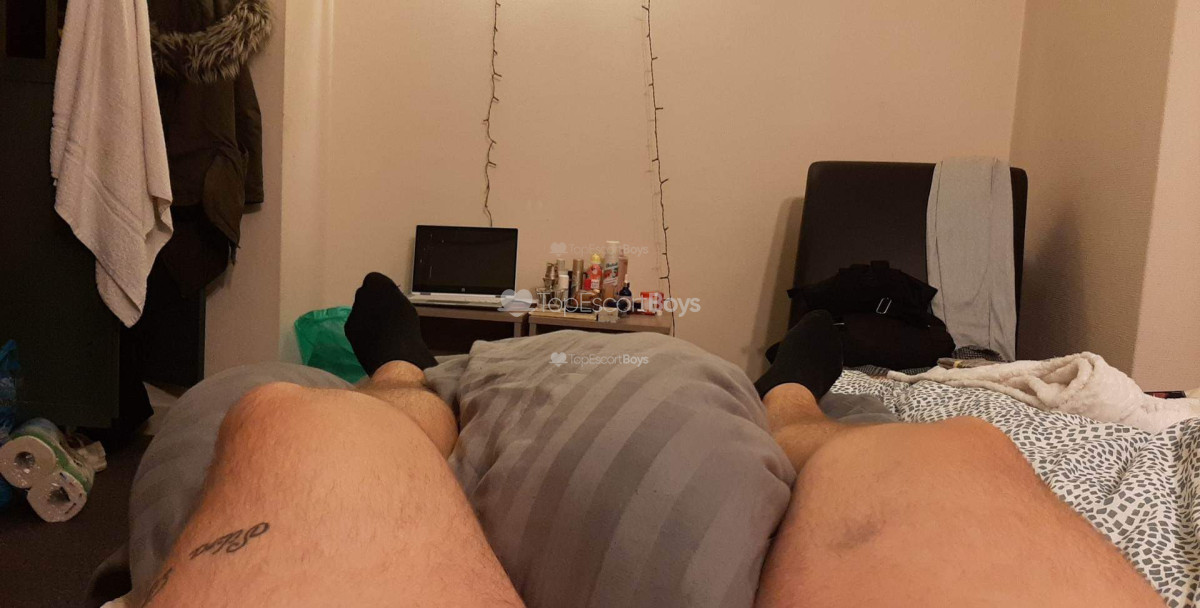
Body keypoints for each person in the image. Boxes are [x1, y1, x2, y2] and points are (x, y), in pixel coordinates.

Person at [134, 273, 1163, 607]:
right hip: (689, 398)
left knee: (314, 421)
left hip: (623, 391)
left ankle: (402, 373)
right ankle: (790, 398)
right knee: (949, 455)